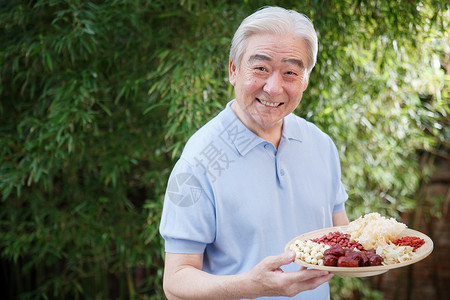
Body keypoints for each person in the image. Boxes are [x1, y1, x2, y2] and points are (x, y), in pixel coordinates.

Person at [159, 6, 349, 299]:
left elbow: (343, 237)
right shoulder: (198, 160)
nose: (274, 88)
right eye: (260, 68)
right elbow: (175, 282)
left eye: (290, 72)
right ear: (234, 70)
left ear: (306, 80)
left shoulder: (321, 145)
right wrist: (251, 285)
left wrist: (384, 244)